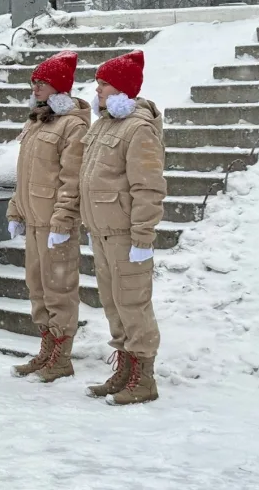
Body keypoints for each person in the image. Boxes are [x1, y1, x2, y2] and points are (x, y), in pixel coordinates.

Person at [80, 50, 166, 405]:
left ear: (123, 89)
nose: (97, 90)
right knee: (113, 304)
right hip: (102, 232)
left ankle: (144, 378)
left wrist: (143, 236)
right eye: (98, 83)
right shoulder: (102, 125)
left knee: (133, 304)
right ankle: (125, 370)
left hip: (127, 235)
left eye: (104, 84)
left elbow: (148, 187)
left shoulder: (139, 129)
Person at [6, 51, 90, 382]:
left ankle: (61, 356)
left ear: (58, 87)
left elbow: (72, 178)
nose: (35, 86)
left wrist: (62, 219)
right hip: (34, 219)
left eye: (42, 82)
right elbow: (23, 174)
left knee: (59, 288)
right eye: (34, 81)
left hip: (56, 223)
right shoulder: (35, 122)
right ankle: (46, 349)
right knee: (37, 287)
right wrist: (16, 209)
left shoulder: (73, 125)